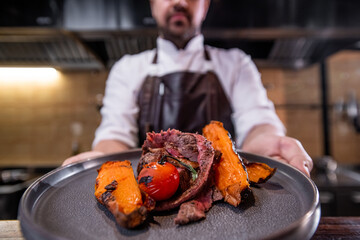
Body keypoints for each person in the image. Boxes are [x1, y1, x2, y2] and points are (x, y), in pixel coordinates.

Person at [62, 0, 313, 177]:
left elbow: (258, 122)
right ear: (153, 3)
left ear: (205, 5)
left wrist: (268, 141)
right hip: (153, 193)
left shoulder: (236, 64)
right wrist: (100, 157)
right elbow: (115, 137)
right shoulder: (127, 69)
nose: (180, 1)